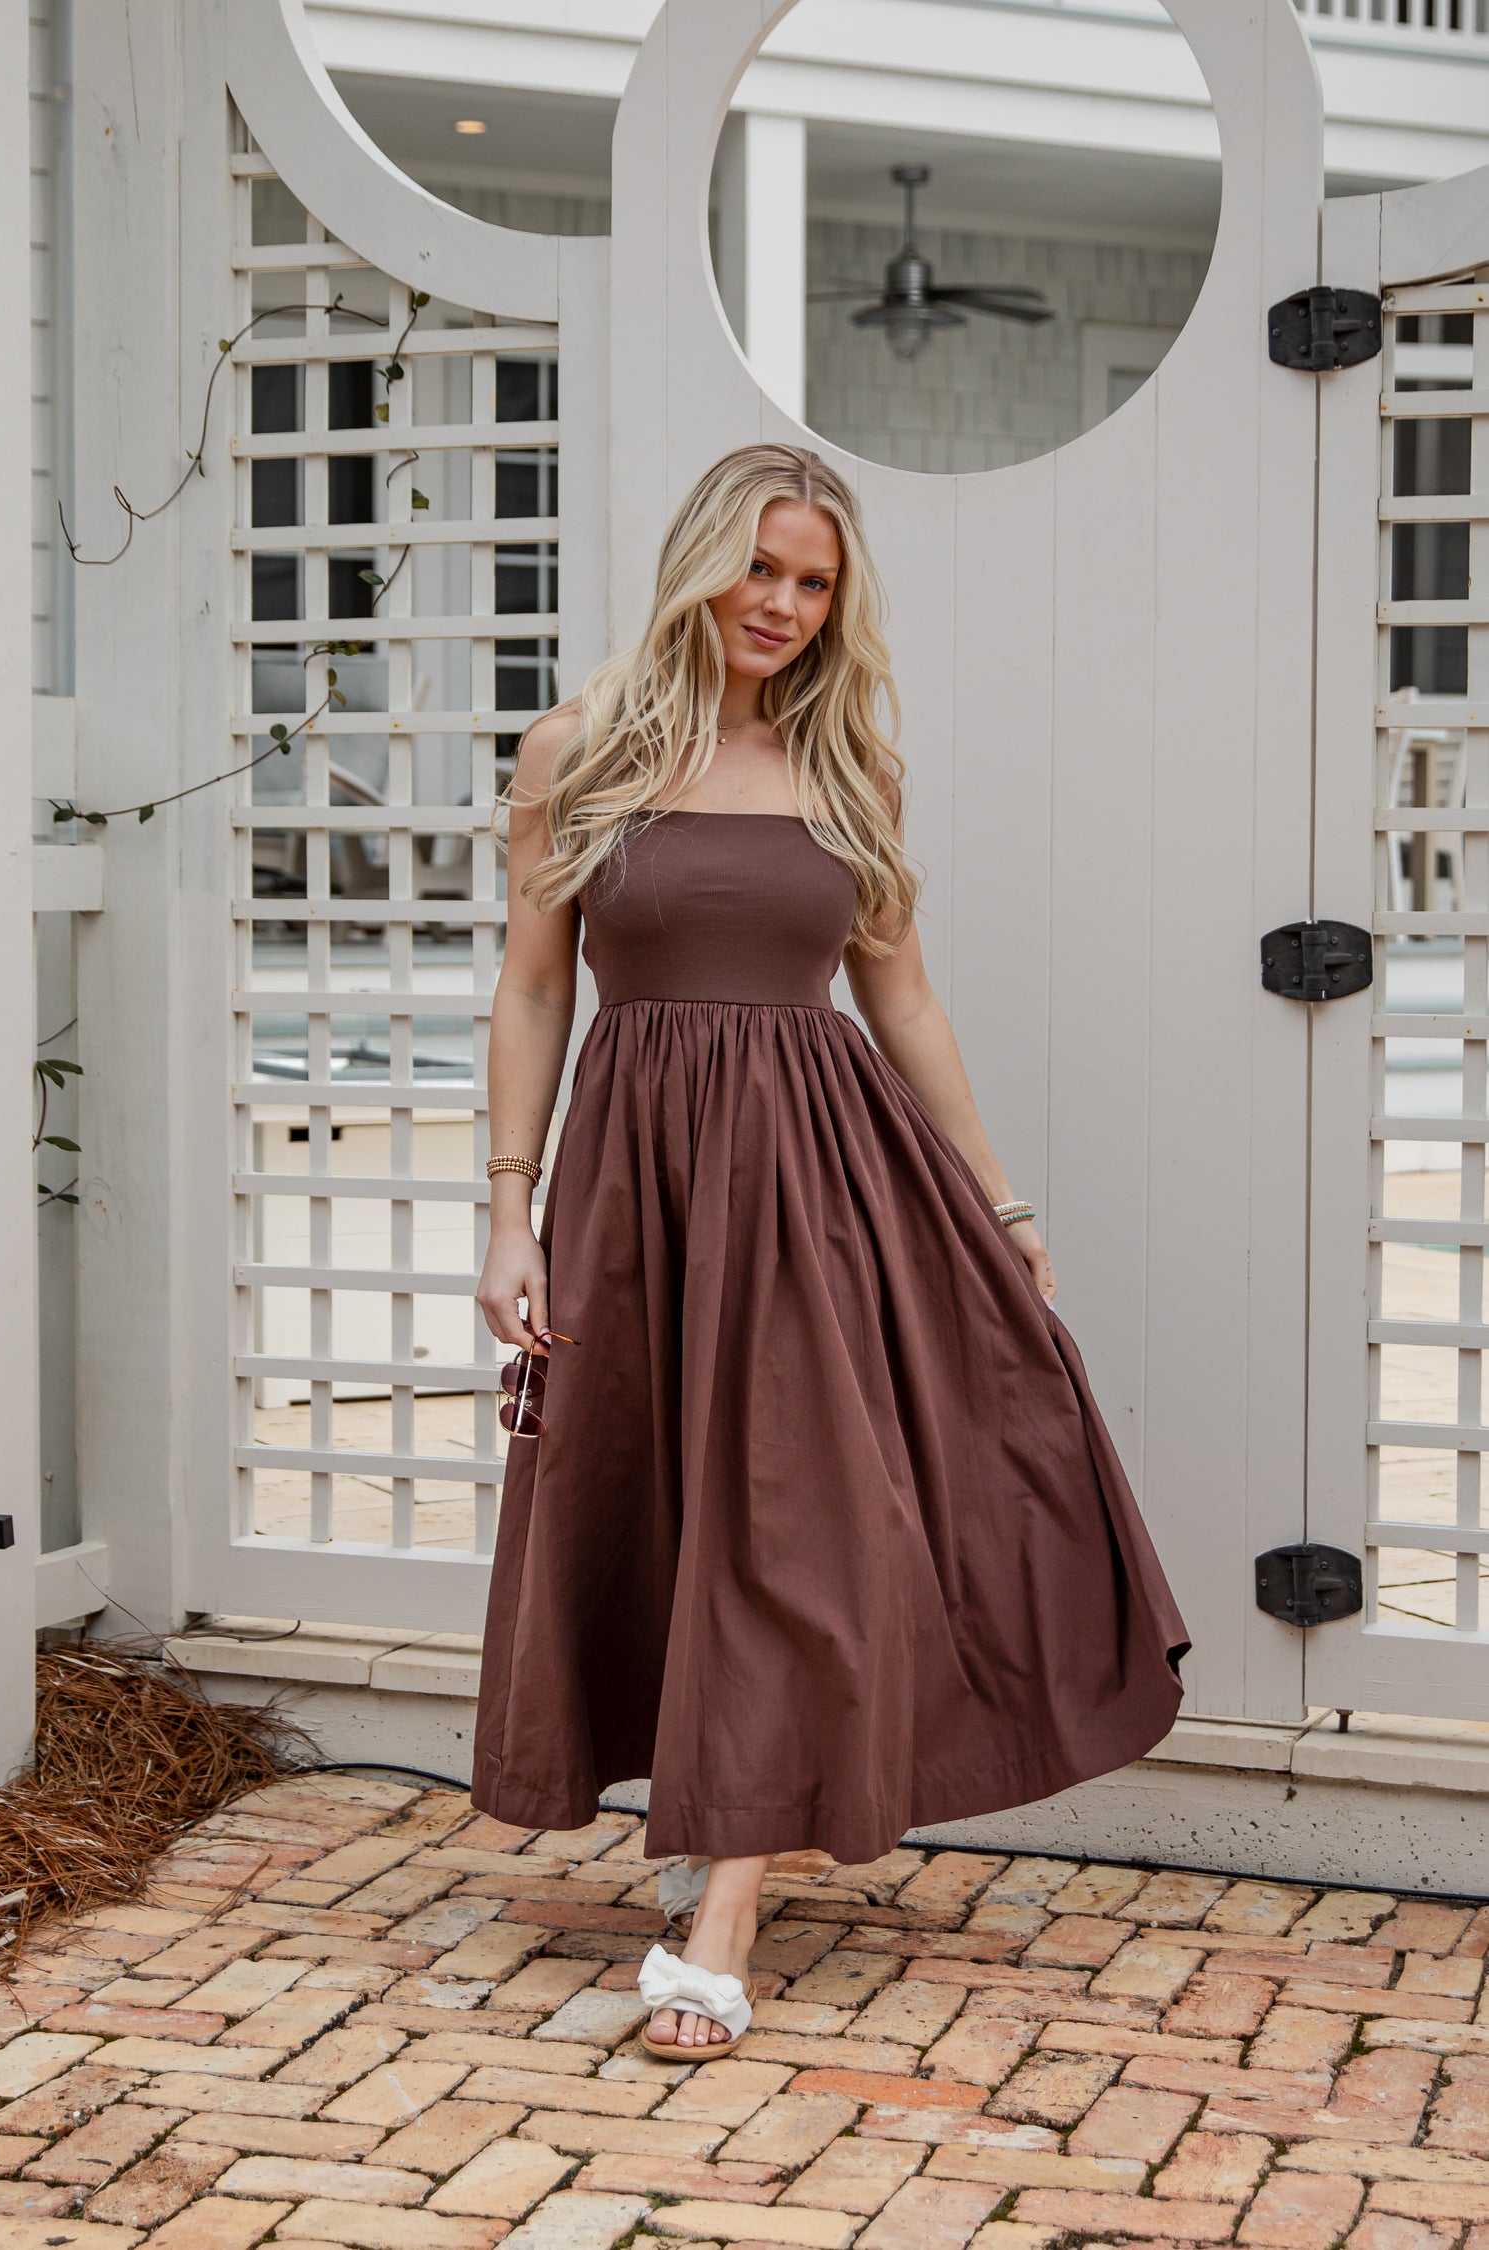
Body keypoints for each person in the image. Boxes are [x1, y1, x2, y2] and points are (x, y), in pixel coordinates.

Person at [472, 441, 1189, 2063]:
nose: (785, 605)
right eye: (763, 570)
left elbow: (904, 999)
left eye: (816, 583)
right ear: (699, 563)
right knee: (673, 1503)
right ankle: (732, 1815)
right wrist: (507, 1207)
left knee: (790, 1527)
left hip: (821, 1192)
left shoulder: (850, 766)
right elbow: (532, 987)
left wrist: (1002, 1209)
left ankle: (723, 1910)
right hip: (637, 1186)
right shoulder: (573, 751)